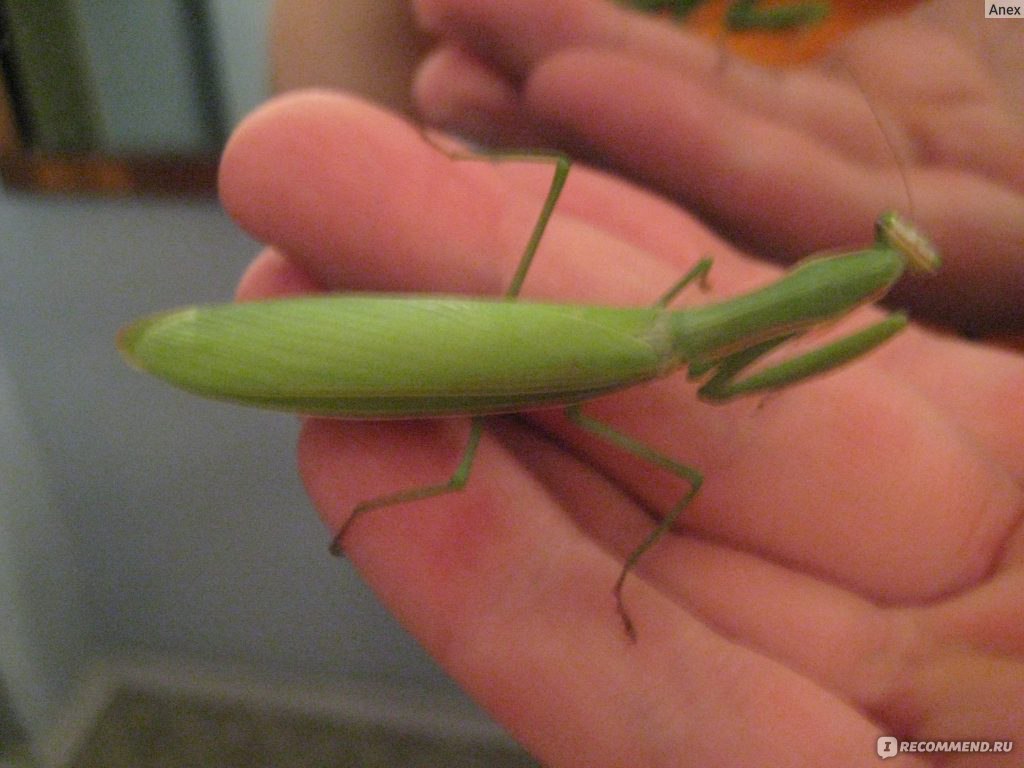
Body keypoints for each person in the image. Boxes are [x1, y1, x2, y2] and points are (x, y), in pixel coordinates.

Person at [224, 1, 1023, 764]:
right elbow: (736, 374)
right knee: (479, 467)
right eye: (888, 251)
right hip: (483, 354)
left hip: (520, 352)